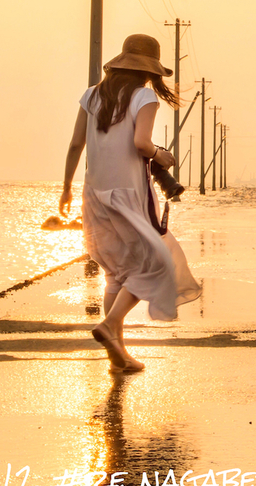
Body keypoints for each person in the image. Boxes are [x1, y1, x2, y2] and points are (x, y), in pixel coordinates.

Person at [59, 34, 201, 373]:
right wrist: (161, 155)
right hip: (127, 195)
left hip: (94, 194)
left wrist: (65, 189)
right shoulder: (144, 96)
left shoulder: (92, 95)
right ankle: (110, 325)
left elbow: (76, 144)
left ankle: (118, 356)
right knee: (157, 264)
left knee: (116, 274)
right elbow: (141, 143)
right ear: (149, 69)